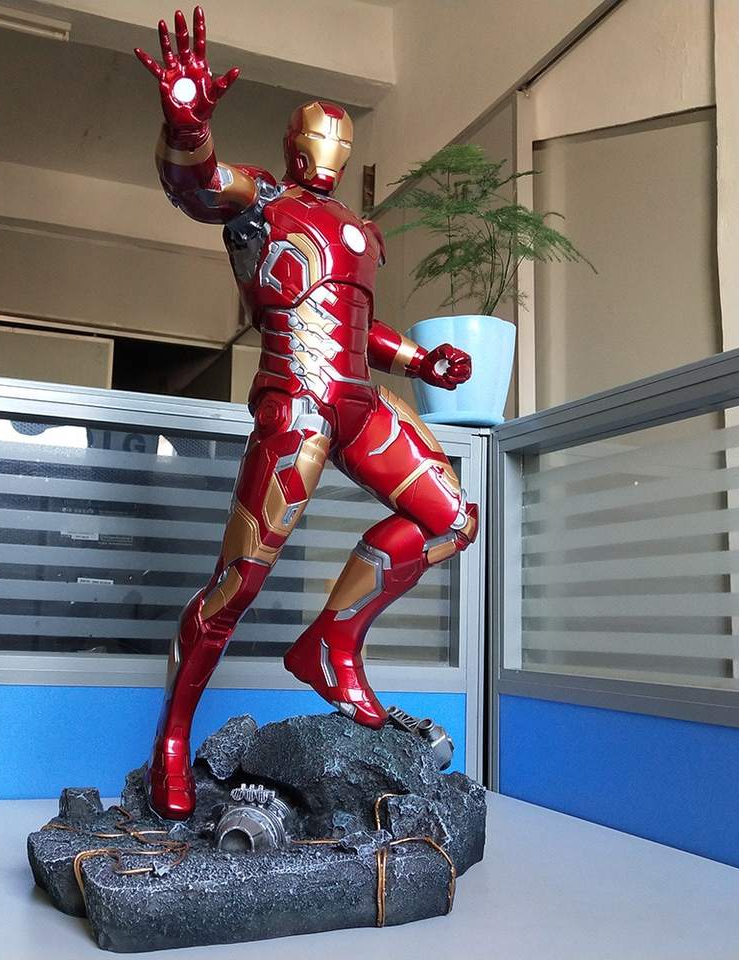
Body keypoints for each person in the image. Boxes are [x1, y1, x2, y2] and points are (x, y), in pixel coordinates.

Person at [135, 7, 477, 819]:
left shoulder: (359, 232)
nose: (326, 152)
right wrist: (186, 123)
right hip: (296, 403)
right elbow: (196, 184)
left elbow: (359, 326)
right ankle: (172, 740)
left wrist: (420, 361)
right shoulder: (263, 199)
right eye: (316, 140)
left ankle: (332, 641)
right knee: (236, 585)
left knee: (452, 519)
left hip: (356, 401)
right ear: (295, 146)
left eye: (338, 143)